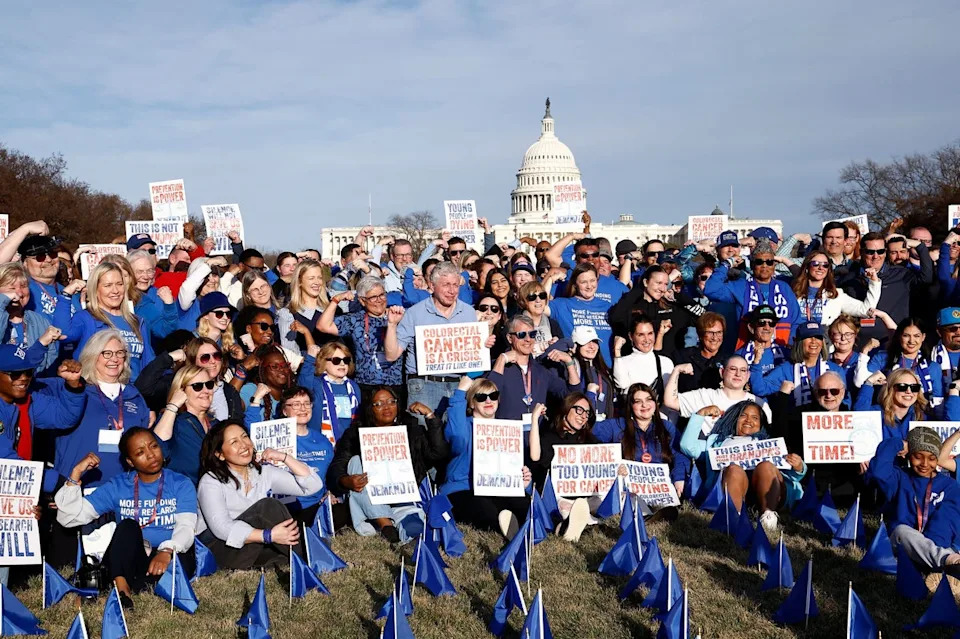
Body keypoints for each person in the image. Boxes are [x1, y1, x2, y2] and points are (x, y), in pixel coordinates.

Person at [55, 428, 198, 608]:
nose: (151, 454)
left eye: (154, 446)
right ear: (130, 461)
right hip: (130, 556)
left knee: (175, 572)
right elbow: (68, 518)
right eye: (140, 452)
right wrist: (76, 473)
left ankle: (113, 581)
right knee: (128, 526)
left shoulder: (180, 483)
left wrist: (167, 551)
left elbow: (186, 526)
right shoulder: (119, 485)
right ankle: (122, 589)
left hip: (168, 554)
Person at [326, 387, 449, 542]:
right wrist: (345, 480)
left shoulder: (411, 429)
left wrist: (430, 417)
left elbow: (438, 453)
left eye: (391, 402)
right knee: (355, 461)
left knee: (413, 527)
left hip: (403, 497)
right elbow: (337, 466)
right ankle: (385, 524)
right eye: (379, 403)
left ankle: (404, 534)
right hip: (369, 495)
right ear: (370, 409)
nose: (387, 407)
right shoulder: (355, 434)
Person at [197, 421, 322, 569]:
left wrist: (284, 457)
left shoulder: (262, 472)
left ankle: (303, 555)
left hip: (251, 546)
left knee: (280, 555)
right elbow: (221, 527)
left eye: (245, 437)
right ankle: (310, 559)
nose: (244, 445)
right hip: (218, 548)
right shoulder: (211, 481)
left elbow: (313, 485)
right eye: (234, 442)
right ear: (220, 454)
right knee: (267, 506)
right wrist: (268, 535)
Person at [680, 400, 807, 534]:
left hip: (771, 491)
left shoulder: (770, 442)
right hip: (734, 486)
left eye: (755, 418)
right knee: (734, 469)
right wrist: (701, 414)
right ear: (734, 418)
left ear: (761, 423)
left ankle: (768, 517)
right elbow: (687, 446)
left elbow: (792, 475)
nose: (748, 420)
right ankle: (735, 516)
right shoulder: (716, 442)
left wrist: (798, 466)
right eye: (743, 415)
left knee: (765, 466)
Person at [386, 261, 495, 417]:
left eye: (456, 285)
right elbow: (392, 354)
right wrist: (391, 325)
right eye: (446, 285)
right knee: (423, 438)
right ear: (432, 285)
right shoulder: (415, 313)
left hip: (459, 385)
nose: (452, 291)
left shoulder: (469, 313)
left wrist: (483, 346)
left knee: (455, 438)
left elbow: (475, 358)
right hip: (423, 385)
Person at [52, 329, 151, 489]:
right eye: (107, 353)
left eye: (120, 353)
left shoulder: (134, 396)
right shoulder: (74, 390)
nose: (115, 359)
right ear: (92, 356)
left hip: (123, 489)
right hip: (79, 487)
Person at [440, 376, 532, 537]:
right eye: (481, 397)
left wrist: (524, 482)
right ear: (472, 403)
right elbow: (458, 437)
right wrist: (460, 392)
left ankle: (559, 527)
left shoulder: (506, 429)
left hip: (498, 488)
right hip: (464, 488)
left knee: (526, 505)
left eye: (493, 396)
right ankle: (506, 531)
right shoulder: (464, 426)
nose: (488, 401)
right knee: (485, 510)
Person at [871, 426, 960, 575]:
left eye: (932, 458)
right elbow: (878, 471)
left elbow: (952, 519)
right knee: (901, 531)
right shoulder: (899, 477)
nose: (925, 464)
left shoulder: (949, 485)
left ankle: (940, 562)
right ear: (908, 455)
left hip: (941, 544)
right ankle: (946, 563)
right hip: (906, 543)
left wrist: (935, 544)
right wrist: (898, 443)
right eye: (918, 457)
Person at [593, 383, 689, 508]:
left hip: (660, 489)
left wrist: (679, 479)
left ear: (655, 403)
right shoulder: (616, 426)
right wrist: (614, 466)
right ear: (631, 406)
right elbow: (590, 432)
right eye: (638, 401)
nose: (645, 405)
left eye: (649, 400)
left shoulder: (666, 427)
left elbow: (679, 455)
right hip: (628, 488)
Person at [61, 262, 154, 380]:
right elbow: (63, 334)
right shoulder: (86, 318)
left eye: (119, 284)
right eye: (108, 285)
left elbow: (148, 363)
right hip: (96, 391)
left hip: (132, 392)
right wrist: (65, 296)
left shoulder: (138, 322)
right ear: (95, 289)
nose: (115, 290)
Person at [316, 276, 403, 402]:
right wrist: (336, 300)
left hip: (394, 383)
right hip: (365, 385)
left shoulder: (398, 316)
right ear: (362, 301)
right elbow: (323, 326)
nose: (379, 300)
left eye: (382, 295)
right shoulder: (355, 320)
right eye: (373, 297)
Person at [840, 231, 933, 344]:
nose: (876, 256)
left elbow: (926, 278)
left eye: (880, 251)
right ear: (861, 252)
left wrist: (920, 246)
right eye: (870, 252)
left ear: (885, 252)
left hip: (892, 341)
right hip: (858, 343)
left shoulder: (901, 274)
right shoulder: (849, 278)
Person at [527, 393, 597, 542]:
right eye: (579, 410)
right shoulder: (549, 436)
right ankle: (569, 526)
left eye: (587, 413)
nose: (583, 416)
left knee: (602, 501)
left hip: (585, 497)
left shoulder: (589, 439)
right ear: (566, 408)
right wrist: (534, 419)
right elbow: (535, 456)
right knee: (564, 508)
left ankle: (581, 523)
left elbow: (607, 460)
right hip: (560, 498)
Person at [704, 238, 800, 344]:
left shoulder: (784, 287)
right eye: (759, 262)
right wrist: (727, 263)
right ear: (752, 265)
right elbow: (711, 290)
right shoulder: (741, 286)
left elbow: (796, 321)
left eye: (769, 262)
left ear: (774, 265)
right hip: (748, 352)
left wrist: (790, 345)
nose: (764, 265)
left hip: (781, 351)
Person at [487, 316, 579, 421]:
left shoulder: (541, 371)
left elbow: (573, 395)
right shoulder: (497, 365)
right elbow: (488, 396)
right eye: (521, 335)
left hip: (533, 435)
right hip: (506, 434)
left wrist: (569, 361)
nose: (528, 339)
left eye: (532, 334)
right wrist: (501, 360)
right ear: (509, 338)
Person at [609, 265, 704, 359]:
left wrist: (677, 296)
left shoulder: (671, 307)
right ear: (646, 282)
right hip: (639, 364)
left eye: (666, 284)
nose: (662, 289)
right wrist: (639, 289)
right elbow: (616, 317)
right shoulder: (633, 306)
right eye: (658, 283)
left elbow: (702, 316)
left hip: (669, 366)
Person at [749, 322, 843, 406]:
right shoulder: (786, 370)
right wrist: (756, 362)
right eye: (808, 337)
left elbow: (845, 400)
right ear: (798, 342)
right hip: (796, 422)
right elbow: (759, 389)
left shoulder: (835, 370)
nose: (814, 341)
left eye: (818, 337)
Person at [855, 368, 960, 441]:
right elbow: (858, 418)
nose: (909, 391)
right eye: (902, 386)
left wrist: (954, 392)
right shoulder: (876, 413)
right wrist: (869, 383)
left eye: (914, 387)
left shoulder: (922, 417)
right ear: (890, 389)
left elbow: (952, 430)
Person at [664, 354, 773, 424]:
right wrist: (676, 371)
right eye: (733, 369)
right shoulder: (705, 396)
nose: (738, 374)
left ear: (748, 375)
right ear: (722, 372)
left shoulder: (758, 404)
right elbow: (670, 401)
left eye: (743, 370)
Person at [154, 365, 217, 485]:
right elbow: (159, 446)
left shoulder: (216, 424)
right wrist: (173, 406)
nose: (206, 391)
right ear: (181, 391)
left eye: (209, 384)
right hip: (182, 494)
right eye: (197, 386)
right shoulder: (174, 421)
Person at [856, 316, 943, 402]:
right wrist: (865, 351)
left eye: (916, 336)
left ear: (923, 337)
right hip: (888, 412)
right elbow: (859, 382)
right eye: (906, 336)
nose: (911, 341)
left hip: (921, 413)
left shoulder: (932, 367)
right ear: (899, 336)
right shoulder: (883, 358)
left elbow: (937, 400)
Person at [546, 263, 615, 366]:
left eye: (592, 281)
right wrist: (550, 280)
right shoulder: (562, 305)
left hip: (605, 368)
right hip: (575, 367)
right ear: (575, 284)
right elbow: (539, 307)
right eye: (583, 282)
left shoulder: (608, 307)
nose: (589, 286)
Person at [791, 251, 879, 327]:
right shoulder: (792, 292)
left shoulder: (836, 295)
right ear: (807, 267)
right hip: (796, 342)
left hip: (823, 343)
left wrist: (874, 282)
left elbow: (866, 310)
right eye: (816, 264)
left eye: (825, 265)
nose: (820, 268)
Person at [297, 341, 361, 445]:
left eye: (346, 360)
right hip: (321, 444)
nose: (342, 364)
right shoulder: (316, 383)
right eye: (336, 360)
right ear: (323, 362)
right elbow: (303, 385)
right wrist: (310, 358)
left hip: (349, 444)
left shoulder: (354, 387)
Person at [0, 262, 59, 373]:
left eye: (23, 286)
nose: (19, 293)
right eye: (11, 288)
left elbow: (50, 360)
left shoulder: (40, 321)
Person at [276, 259, 332, 356]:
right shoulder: (288, 314)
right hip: (308, 368)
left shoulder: (332, 308)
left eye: (319, 278)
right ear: (299, 281)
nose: (317, 282)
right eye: (311, 278)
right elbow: (291, 354)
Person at [612, 314, 674, 394]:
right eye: (641, 335)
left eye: (650, 333)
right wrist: (617, 350)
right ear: (631, 336)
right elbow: (621, 384)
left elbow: (671, 394)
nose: (647, 339)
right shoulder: (622, 362)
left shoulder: (666, 362)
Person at [128, 249, 178, 348]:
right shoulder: (118, 295)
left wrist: (169, 305)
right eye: (140, 272)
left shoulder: (161, 296)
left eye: (149, 271)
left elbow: (166, 331)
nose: (145, 276)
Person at [569, 326, 616, 420]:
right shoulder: (572, 368)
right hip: (583, 424)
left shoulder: (604, 370)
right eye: (586, 342)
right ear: (575, 345)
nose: (591, 346)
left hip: (605, 425)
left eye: (594, 342)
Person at [672, 312, 725, 393]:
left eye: (719, 332)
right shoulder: (682, 356)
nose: (715, 337)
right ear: (700, 334)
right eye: (710, 332)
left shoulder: (728, 362)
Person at [736, 305, 788, 375]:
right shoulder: (739, 356)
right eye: (761, 323)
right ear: (751, 327)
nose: (767, 327)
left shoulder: (786, 354)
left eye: (771, 323)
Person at [517, 280, 561, 357]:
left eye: (542, 296)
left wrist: (557, 344)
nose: (538, 300)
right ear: (524, 302)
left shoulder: (553, 324)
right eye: (532, 297)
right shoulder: (515, 324)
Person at [475, 295, 509, 361]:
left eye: (494, 309)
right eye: (483, 308)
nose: (489, 312)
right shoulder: (464, 332)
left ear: (499, 316)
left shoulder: (505, 337)